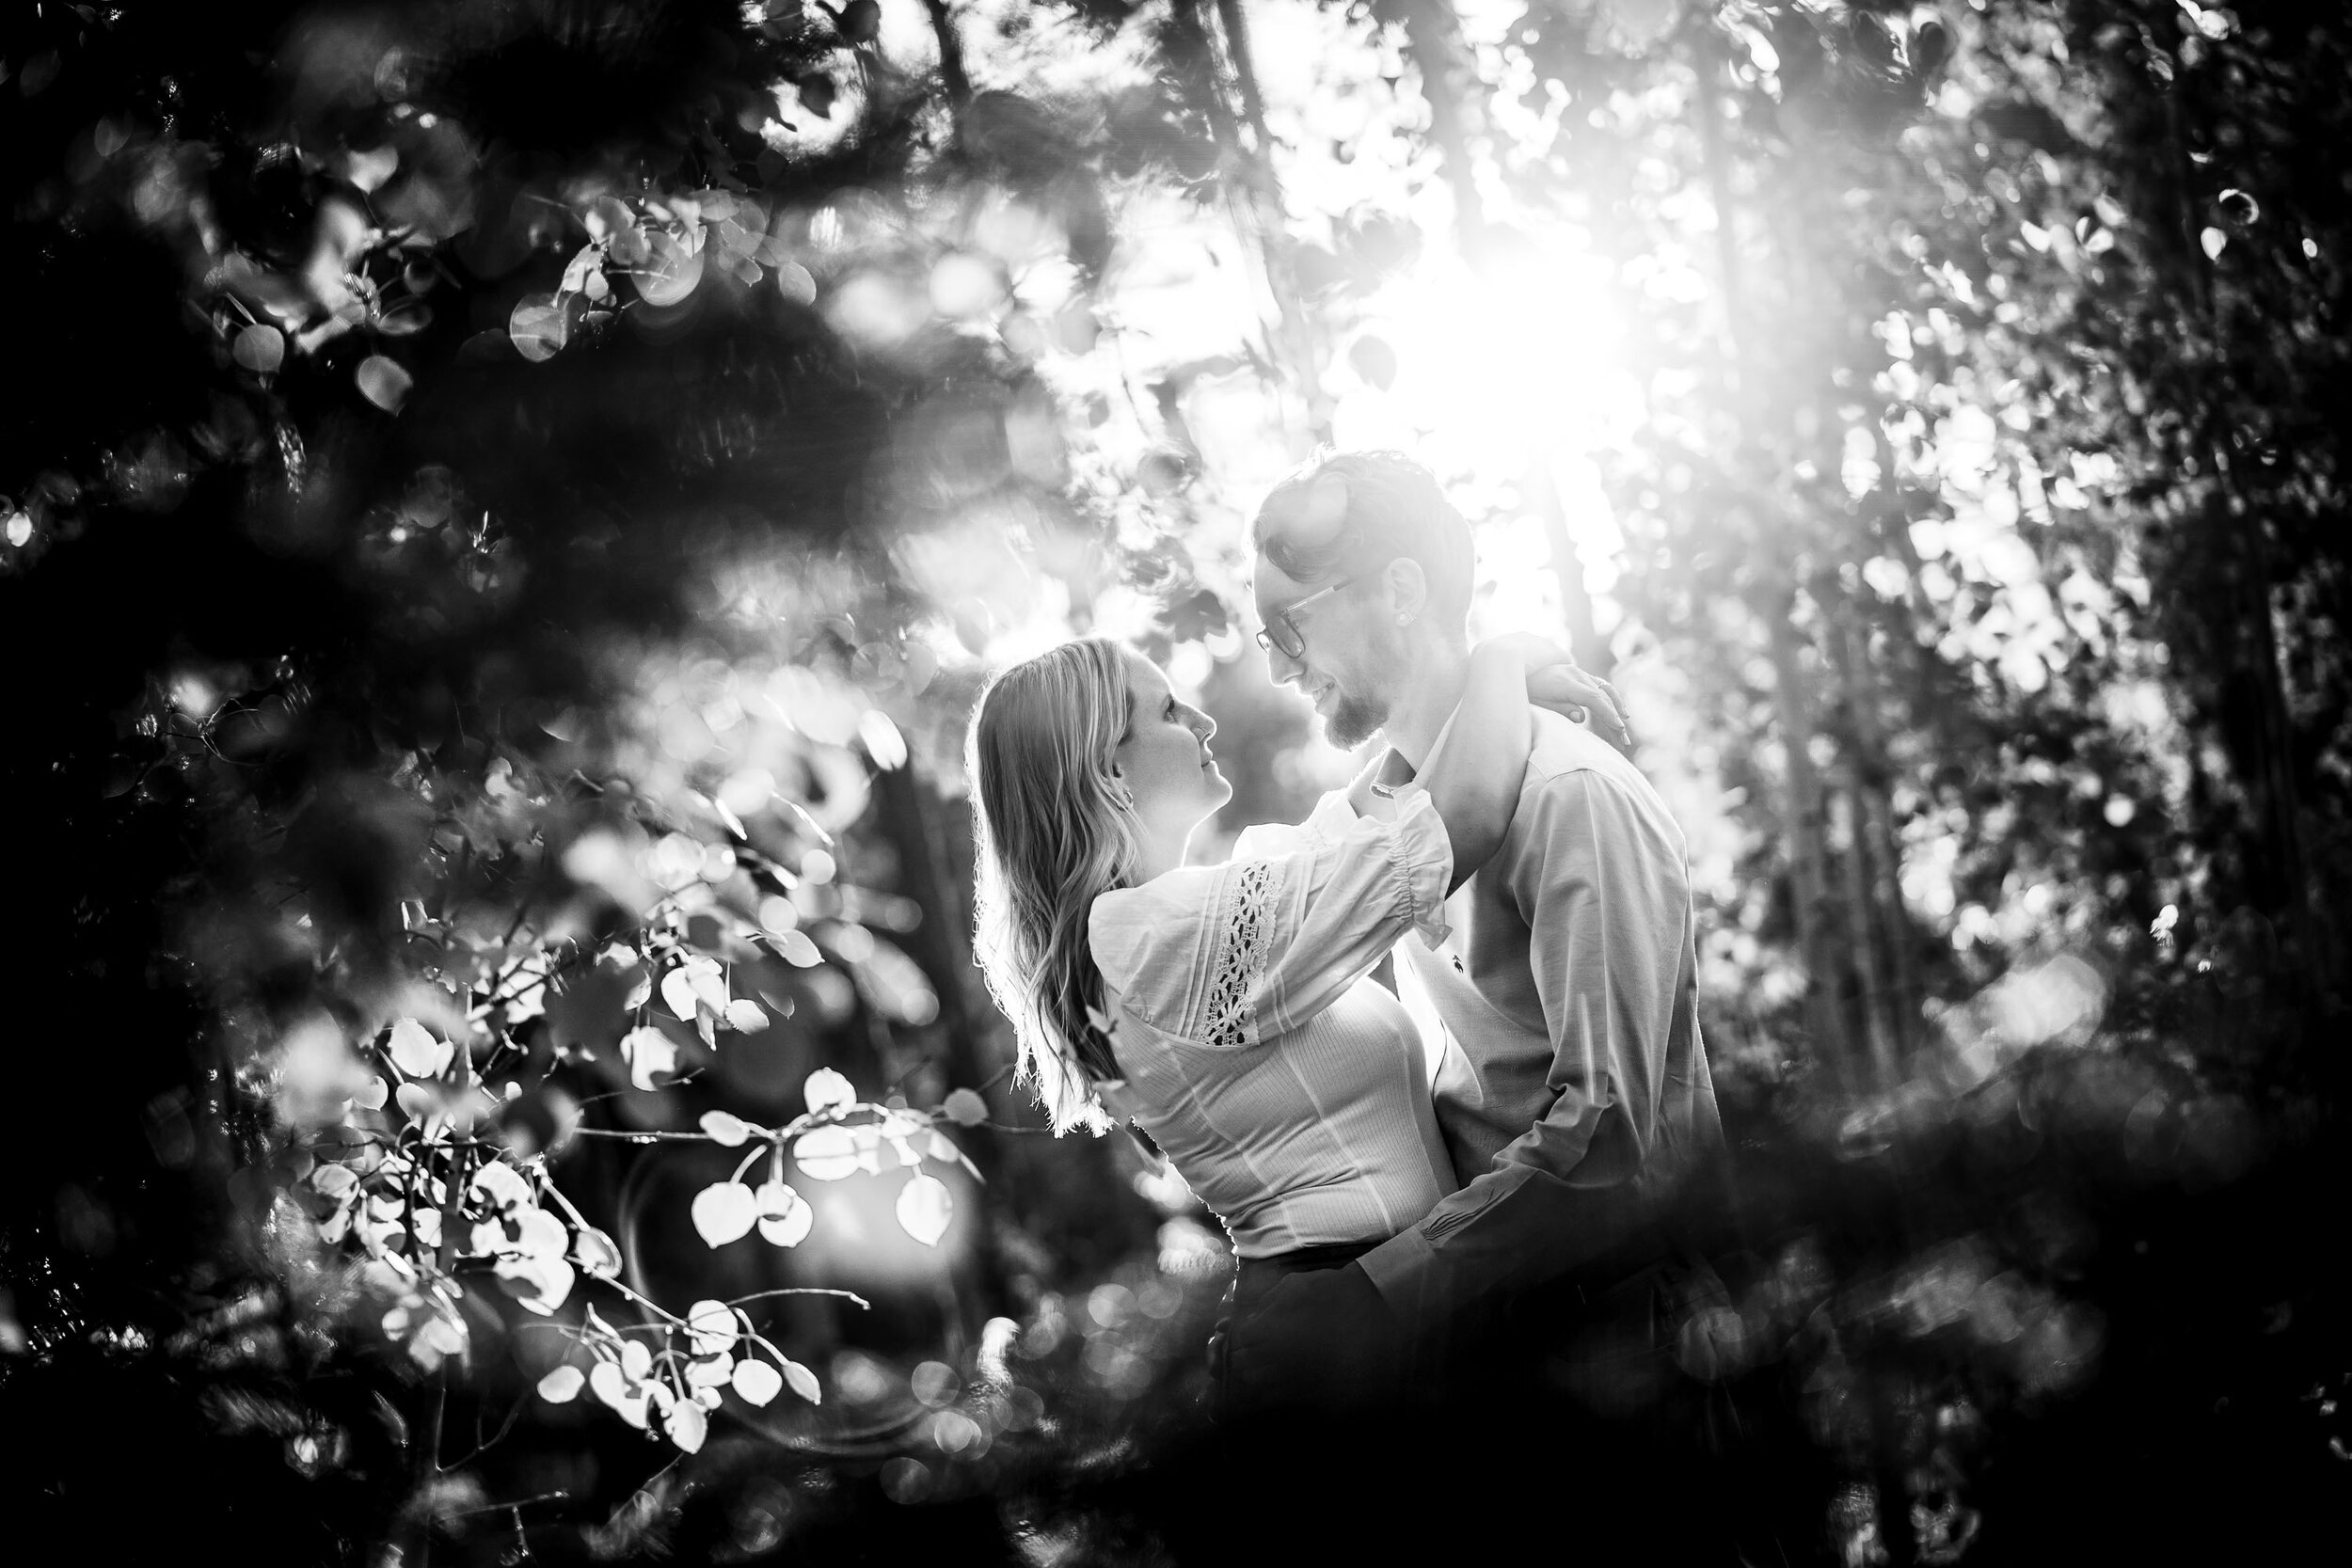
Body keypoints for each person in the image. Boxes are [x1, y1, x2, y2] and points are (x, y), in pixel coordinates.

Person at [963, 632, 1620, 1412]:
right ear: (1108, 769)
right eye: (1169, 710)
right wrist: (1503, 661)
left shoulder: (1188, 922)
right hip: (1344, 1322)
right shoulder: (1148, 935)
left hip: (1379, 1305)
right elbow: (1459, 817)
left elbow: (1360, 820)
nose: (1203, 721)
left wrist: (1474, 692)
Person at [1226, 451, 1726, 1427]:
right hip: (1490, 1372)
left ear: (1401, 589)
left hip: (1637, 1370)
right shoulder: (1377, 827)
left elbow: (1616, 1139)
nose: (1279, 664)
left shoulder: (1570, 798)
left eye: (1291, 623)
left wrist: (1379, 1290)